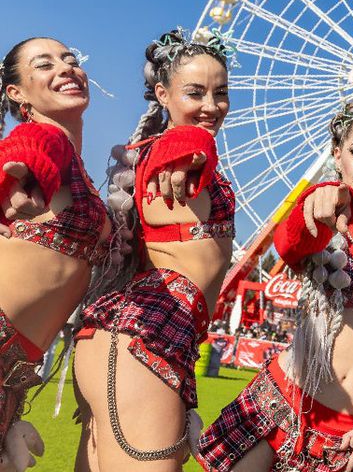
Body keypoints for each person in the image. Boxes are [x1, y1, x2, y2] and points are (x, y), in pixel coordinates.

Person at [197, 96, 353, 471]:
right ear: (337, 154)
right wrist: (313, 206)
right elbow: (289, 246)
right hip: (282, 402)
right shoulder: (321, 214)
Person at [74, 30, 235, 470]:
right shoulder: (176, 152)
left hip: (126, 340)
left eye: (221, 93)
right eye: (195, 93)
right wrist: (191, 145)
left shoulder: (168, 156)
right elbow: (183, 147)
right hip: (145, 342)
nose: (211, 105)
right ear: (163, 94)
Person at [0, 37, 112, 470]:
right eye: (45, 64)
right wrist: (24, 177)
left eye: (71, 60)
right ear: (17, 93)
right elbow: (30, 150)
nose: (66, 68)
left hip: (13, 377)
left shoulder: (81, 170)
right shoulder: (46, 138)